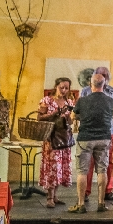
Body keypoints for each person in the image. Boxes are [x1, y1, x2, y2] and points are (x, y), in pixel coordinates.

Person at [69, 73, 113, 213]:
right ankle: (101, 203)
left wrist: (80, 116)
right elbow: (107, 116)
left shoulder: (82, 101)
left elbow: (72, 118)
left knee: (82, 171)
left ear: (90, 85)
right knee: (102, 170)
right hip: (104, 138)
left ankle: (81, 204)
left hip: (85, 138)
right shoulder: (110, 101)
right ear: (104, 85)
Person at [80, 66, 113, 202]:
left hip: (108, 130)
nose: (103, 77)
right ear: (94, 76)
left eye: (105, 75)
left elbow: (111, 109)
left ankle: (108, 191)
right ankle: (85, 191)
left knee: (108, 161)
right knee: (88, 162)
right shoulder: (85, 91)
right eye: (100, 74)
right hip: (90, 130)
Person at [37, 78, 75, 208]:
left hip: (63, 138)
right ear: (56, 87)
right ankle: (49, 197)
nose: (64, 90)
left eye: (66, 88)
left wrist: (67, 116)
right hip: (51, 138)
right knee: (52, 167)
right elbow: (39, 118)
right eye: (61, 87)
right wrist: (54, 113)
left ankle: (56, 196)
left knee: (61, 168)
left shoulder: (69, 101)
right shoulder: (47, 100)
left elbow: (70, 123)